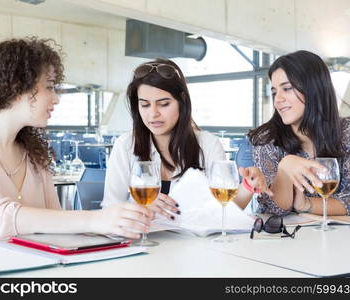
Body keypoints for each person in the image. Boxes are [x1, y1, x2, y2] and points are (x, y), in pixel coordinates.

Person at [0, 37, 153, 241]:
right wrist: (94, 219)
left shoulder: (34, 152)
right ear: (16, 87)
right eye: (49, 86)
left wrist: (119, 222)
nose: (56, 98)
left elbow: (56, 226)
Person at [102, 58, 272, 219]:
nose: (153, 113)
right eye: (144, 104)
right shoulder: (125, 146)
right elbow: (109, 210)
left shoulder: (208, 145)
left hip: (194, 245)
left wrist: (247, 186)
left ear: (182, 102)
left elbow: (224, 211)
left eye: (164, 104)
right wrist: (140, 208)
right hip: (143, 243)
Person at [248, 50, 350, 216]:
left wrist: (306, 205)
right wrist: (284, 168)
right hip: (283, 238)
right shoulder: (267, 138)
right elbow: (273, 210)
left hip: (335, 235)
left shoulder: (347, 130)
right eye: (275, 91)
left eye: (287, 88)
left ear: (314, 89)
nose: (277, 99)